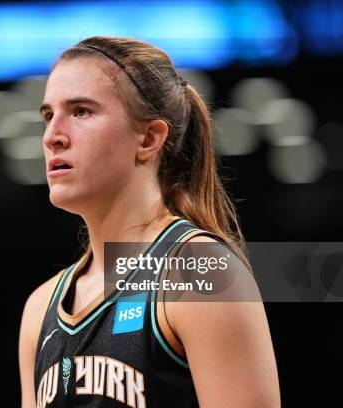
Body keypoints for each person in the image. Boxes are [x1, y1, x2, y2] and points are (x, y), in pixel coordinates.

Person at [18, 36, 279, 408]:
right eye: (48, 115)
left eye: (81, 111)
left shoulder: (201, 273)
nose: (52, 136)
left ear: (150, 138)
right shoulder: (40, 308)